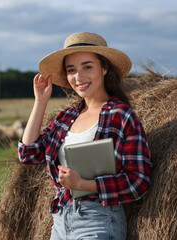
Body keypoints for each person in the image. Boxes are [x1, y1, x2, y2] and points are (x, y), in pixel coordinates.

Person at [18, 32, 152, 240]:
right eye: (72, 70)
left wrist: (83, 185)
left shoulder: (121, 115)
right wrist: (40, 102)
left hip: (99, 221)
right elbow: (27, 154)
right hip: (61, 221)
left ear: (104, 68)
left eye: (87, 67)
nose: (78, 77)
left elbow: (138, 181)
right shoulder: (66, 117)